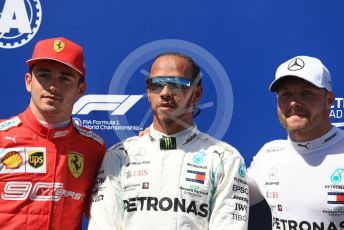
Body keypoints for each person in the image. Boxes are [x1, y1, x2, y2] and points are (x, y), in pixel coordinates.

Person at [88, 52, 249, 229]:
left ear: (197, 93)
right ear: (148, 91)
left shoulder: (224, 159)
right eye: (156, 84)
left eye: (177, 84)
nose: (165, 93)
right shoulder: (120, 156)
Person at [0, 37, 106, 229]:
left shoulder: (94, 149)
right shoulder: (1, 138)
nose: (53, 86)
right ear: (28, 82)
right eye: (44, 75)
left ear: (80, 90)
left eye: (65, 78)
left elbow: (105, 215)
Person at [248, 56, 344, 229]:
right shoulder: (268, 154)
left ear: (329, 100)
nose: (293, 103)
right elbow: (228, 194)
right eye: (286, 94)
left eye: (306, 93)